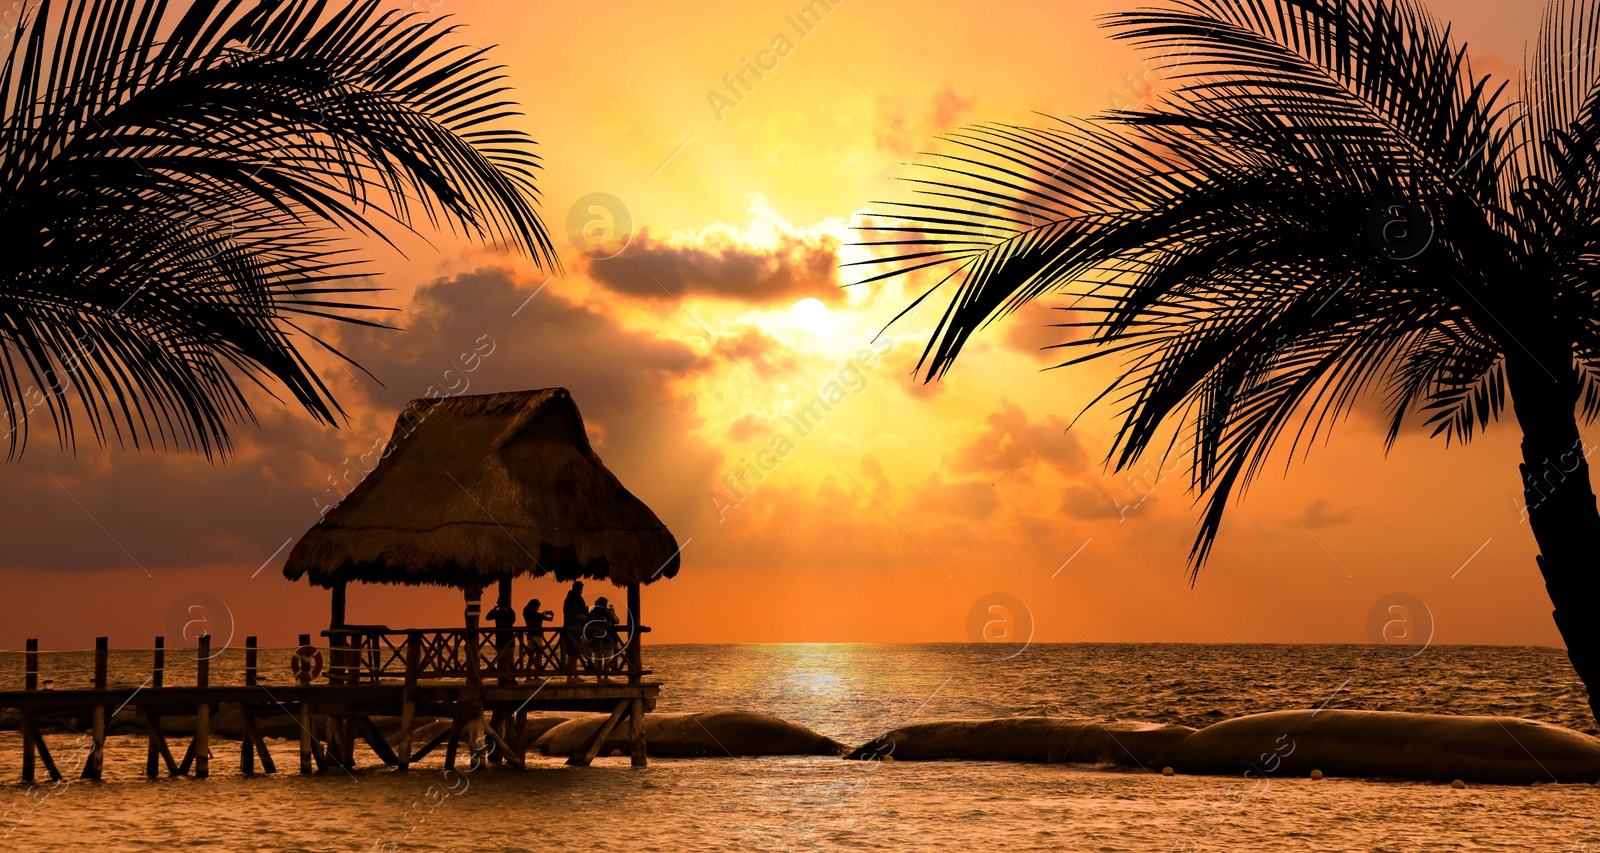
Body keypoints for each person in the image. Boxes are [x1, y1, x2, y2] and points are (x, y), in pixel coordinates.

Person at [586, 596, 621, 676]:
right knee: (607, 659)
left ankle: (599, 679)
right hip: (607, 639)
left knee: (597, 660)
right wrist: (613, 613)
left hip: (594, 640)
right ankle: (605, 678)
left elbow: (587, 622)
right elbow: (617, 621)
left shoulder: (592, 614)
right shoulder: (608, 613)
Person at [486, 599, 517, 684]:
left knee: (510, 659)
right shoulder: (497, 612)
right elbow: (487, 617)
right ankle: (502, 677)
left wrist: (507, 612)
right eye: (499, 606)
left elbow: (513, 620)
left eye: (501, 606)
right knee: (501, 659)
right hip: (500, 638)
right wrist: (493, 609)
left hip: (509, 638)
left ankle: (512, 677)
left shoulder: (510, 612)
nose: (500, 607)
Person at [561, 582, 587, 678]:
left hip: (567, 628)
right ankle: (571, 676)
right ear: (580, 589)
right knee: (573, 653)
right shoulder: (578, 599)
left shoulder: (567, 599)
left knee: (573, 653)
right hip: (575, 629)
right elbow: (579, 615)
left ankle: (573, 675)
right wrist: (586, 617)